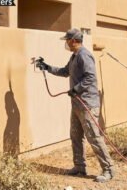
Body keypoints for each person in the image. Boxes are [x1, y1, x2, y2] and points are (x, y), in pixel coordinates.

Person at [36, 28, 114, 182]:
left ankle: (108, 169)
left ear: (73, 40)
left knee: (94, 138)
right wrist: (47, 67)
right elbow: (65, 71)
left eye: (67, 40)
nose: (66, 43)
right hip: (77, 103)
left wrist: (76, 89)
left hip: (87, 104)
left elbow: (90, 78)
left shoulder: (84, 55)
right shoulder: (74, 56)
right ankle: (79, 167)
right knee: (76, 136)